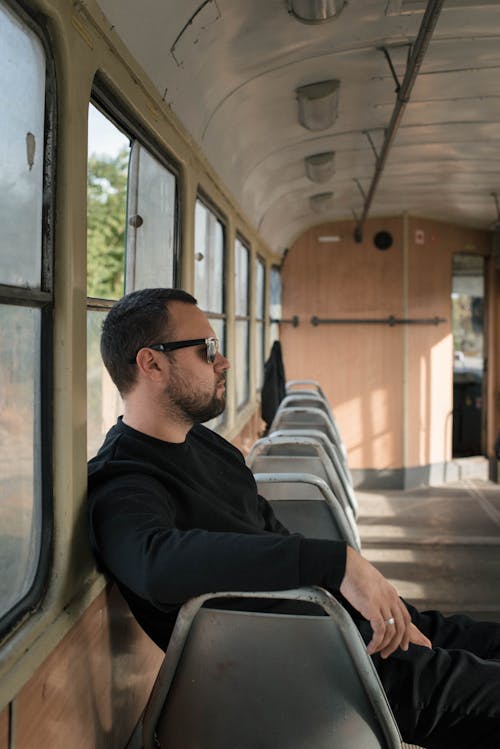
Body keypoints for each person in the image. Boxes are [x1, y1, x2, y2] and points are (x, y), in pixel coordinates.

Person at [88, 287, 500, 748]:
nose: (222, 362)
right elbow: (155, 564)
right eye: (207, 351)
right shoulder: (122, 477)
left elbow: (268, 532)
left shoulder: (209, 447)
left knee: (479, 638)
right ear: (152, 364)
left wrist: (357, 599)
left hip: (335, 629)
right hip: (297, 671)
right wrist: (335, 563)